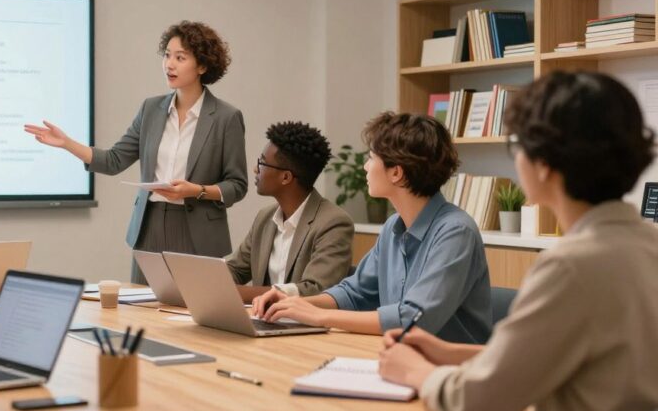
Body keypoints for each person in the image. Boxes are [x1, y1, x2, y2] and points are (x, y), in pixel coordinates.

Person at [379, 72, 658, 411]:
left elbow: (475, 407)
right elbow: (578, 363)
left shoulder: (571, 268)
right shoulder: (645, 246)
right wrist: (454, 355)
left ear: (544, 164)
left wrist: (416, 371)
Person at [25, 20, 248, 283]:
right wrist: (68, 144)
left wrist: (195, 190)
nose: (169, 64)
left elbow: (237, 185)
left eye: (180, 57)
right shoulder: (151, 109)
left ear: (202, 65)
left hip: (197, 231)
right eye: (166, 55)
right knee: (144, 308)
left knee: (192, 315)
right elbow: (113, 160)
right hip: (150, 225)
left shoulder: (225, 117)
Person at [252, 112, 492, 344]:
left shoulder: (456, 232)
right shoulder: (392, 228)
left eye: (371, 158)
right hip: (400, 358)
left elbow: (413, 319)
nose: (365, 167)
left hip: (452, 374)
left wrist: (319, 316)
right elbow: (355, 292)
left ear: (396, 173)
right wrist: (293, 301)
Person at [226, 121, 354, 302]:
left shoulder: (334, 222)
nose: (256, 169)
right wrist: (213, 283)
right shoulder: (265, 217)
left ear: (285, 177)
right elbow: (235, 269)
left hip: (305, 326)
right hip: (263, 321)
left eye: (262, 162)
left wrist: (238, 294)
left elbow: (317, 289)